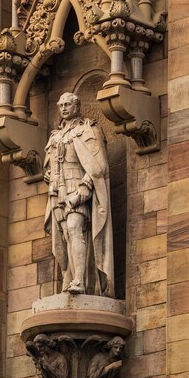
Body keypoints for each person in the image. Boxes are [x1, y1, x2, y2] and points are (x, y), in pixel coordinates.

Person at [43, 92, 114, 297]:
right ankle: (71, 277)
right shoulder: (56, 135)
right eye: (61, 105)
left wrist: (85, 185)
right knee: (66, 235)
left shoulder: (88, 128)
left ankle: (80, 281)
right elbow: (50, 163)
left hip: (77, 184)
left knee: (75, 228)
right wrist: (48, 175)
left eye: (68, 104)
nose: (64, 108)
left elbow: (97, 165)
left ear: (77, 106)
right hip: (57, 189)